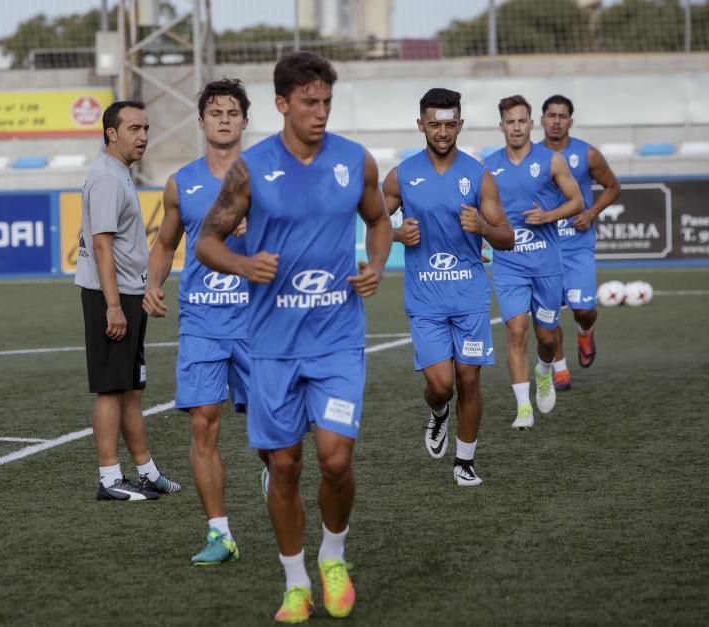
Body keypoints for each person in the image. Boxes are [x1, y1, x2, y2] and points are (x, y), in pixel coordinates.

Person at [195, 52, 392, 623]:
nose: (320, 112)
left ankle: (333, 556)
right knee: (283, 466)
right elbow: (207, 240)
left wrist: (375, 264)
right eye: (309, 102)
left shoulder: (356, 161)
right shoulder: (251, 169)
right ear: (282, 104)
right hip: (273, 348)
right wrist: (242, 263)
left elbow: (378, 221)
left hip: (336, 339)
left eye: (327, 102)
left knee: (335, 458)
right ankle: (295, 580)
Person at [143, 79, 253, 564]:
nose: (224, 119)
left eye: (232, 112)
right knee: (204, 426)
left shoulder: (268, 178)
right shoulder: (181, 183)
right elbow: (165, 244)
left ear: (245, 120)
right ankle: (219, 533)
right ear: (202, 121)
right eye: (215, 112)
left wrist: (263, 226)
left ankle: (277, 471)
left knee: (276, 430)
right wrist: (153, 282)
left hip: (260, 320)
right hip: (203, 321)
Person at [383, 88, 514, 487]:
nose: (442, 131)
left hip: (470, 297)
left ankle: (465, 461)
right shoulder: (401, 175)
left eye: (450, 124)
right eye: (435, 124)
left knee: (469, 379)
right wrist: (394, 234)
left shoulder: (478, 175)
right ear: (421, 124)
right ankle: (438, 413)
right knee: (441, 385)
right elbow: (372, 223)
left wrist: (484, 229)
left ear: (460, 124)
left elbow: (507, 237)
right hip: (425, 299)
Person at [75, 100, 181, 501]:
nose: (143, 136)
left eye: (146, 128)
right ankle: (108, 478)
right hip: (111, 297)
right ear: (111, 133)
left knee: (132, 388)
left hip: (129, 294)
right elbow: (101, 246)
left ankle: (146, 471)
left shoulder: (118, 174)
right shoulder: (105, 177)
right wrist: (114, 306)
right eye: (134, 128)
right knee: (110, 388)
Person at [483, 95, 584, 430]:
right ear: (502, 126)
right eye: (510, 122)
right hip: (509, 262)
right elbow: (478, 212)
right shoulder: (488, 167)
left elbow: (577, 201)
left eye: (522, 121)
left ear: (531, 123)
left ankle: (544, 370)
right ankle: (523, 408)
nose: (516, 127)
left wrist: (549, 215)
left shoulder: (552, 160)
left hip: (546, 264)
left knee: (546, 337)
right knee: (516, 330)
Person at [539, 95, 622, 390]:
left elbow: (613, 187)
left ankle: (585, 329)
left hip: (577, 244)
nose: (556, 121)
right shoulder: (531, 156)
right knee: (547, 312)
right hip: (544, 246)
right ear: (542, 120)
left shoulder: (587, 155)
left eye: (562, 116)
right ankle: (560, 369)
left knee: (583, 308)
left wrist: (590, 212)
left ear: (570, 121)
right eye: (551, 115)